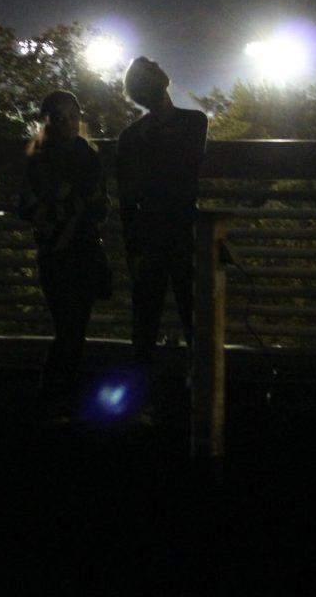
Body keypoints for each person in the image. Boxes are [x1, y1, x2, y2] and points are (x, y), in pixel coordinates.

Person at [18, 91, 110, 409]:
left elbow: (99, 206)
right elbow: (30, 206)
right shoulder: (44, 159)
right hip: (59, 250)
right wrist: (76, 206)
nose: (69, 122)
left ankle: (56, 394)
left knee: (74, 327)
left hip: (79, 248)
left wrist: (64, 208)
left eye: (73, 115)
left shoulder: (84, 156)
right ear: (48, 121)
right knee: (69, 326)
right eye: (61, 117)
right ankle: (56, 394)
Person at [116, 56, 208, 370]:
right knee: (194, 318)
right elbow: (186, 173)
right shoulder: (195, 122)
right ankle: (199, 396)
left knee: (145, 324)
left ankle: (140, 402)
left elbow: (128, 200)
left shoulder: (131, 137)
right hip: (185, 232)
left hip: (149, 233)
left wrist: (133, 249)